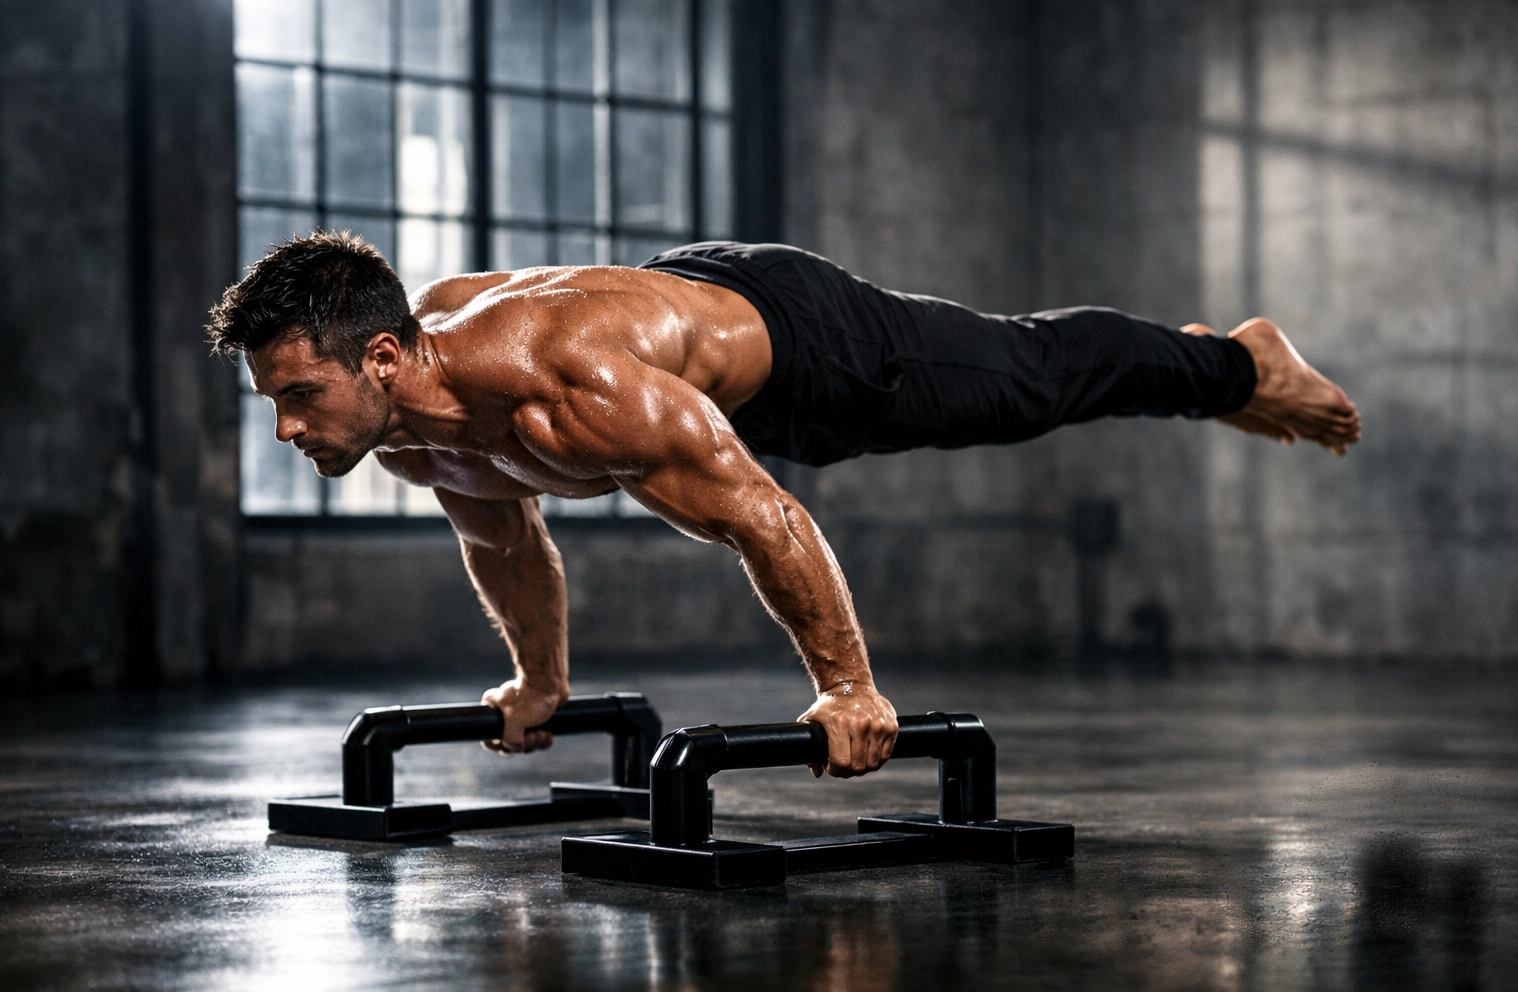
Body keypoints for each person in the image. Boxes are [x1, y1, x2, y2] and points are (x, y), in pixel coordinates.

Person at [208, 232, 1360, 778]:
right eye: (276, 402)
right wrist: (544, 682)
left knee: (1023, 382)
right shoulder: (414, 437)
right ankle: (1219, 370)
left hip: (808, 346)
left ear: (386, 359)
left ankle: (1237, 365)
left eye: (301, 395)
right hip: (691, 324)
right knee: (1021, 384)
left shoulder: (568, 393)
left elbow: (766, 518)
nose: (289, 428)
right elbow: (508, 544)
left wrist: (849, 687)